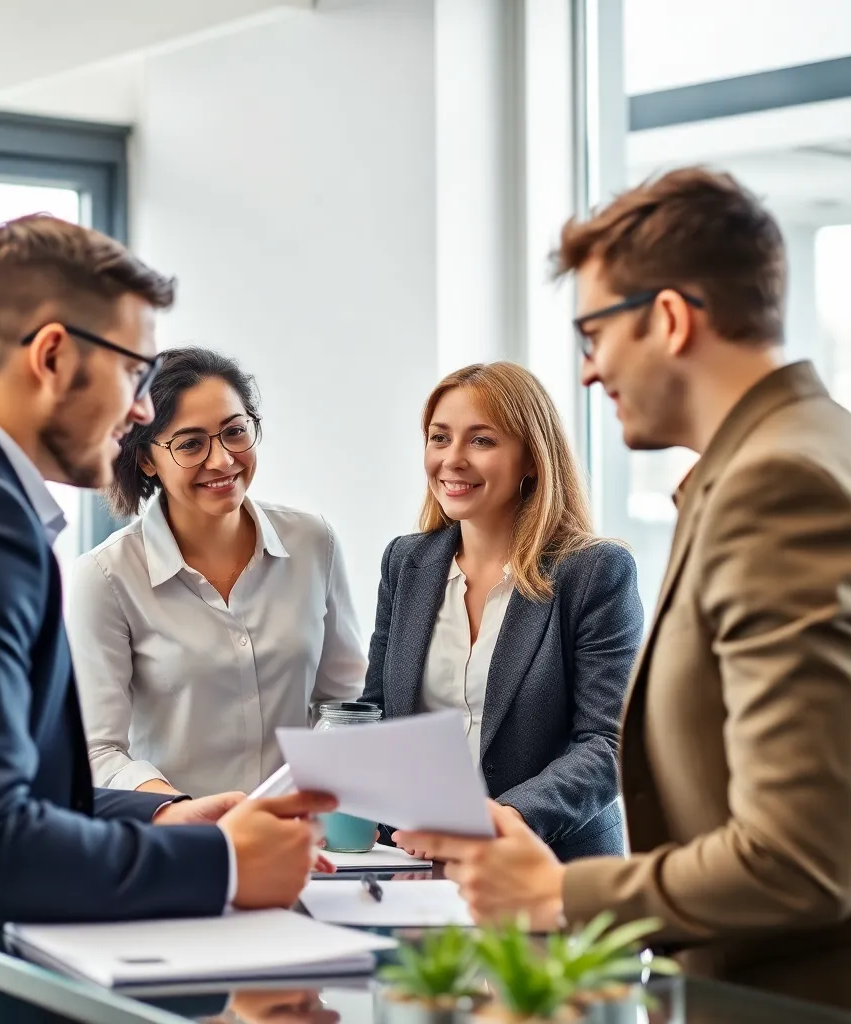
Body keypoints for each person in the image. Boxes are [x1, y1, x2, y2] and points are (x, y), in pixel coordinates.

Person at [0, 215, 334, 1024]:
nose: (140, 411)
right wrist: (221, 861)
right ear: (54, 355)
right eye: (134, 373)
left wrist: (162, 814)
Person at [394, 168, 851, 1009]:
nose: (590, 372)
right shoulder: (806, 451)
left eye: (594, 332)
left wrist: (559, 894)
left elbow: (799, 856)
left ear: (670, 319)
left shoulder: (776, 483)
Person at [364, 361, 642, 862]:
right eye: (439, 437)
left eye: (482, 441)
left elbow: (608, 743)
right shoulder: (406, 563)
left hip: (549, 865)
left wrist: (508, 819)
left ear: (532, 458)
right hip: (413, 866)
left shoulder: (595, 571)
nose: (452, 459)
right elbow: (377, 714)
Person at [67, 346, 366, 798]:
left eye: (234, 432)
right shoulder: (105, 578)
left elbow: (344, 706)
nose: (223, 460)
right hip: (180, 843)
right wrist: (182, 812)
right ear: (147, 459)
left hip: (303, 837)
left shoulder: (312, 541)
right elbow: (97, 750)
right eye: (190, 444)